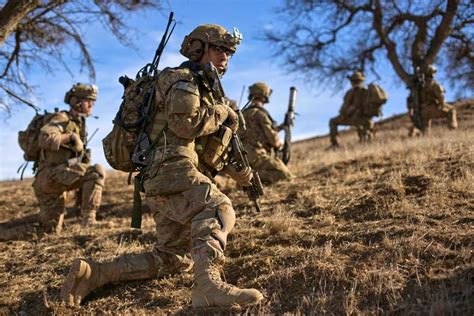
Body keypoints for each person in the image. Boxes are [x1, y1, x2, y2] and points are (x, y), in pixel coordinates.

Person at [61, 24, 263, 308]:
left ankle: (94, 274)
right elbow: (185, 124)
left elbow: (207, 150)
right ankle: (207, 289)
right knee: (218, 207)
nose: (225, 58)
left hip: (166, 174)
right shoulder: (183, 79)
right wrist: (222, 112)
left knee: (173, 259)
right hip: (171, 167)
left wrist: (243, 174)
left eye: (229, 53)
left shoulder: (202, 87)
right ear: (197, 48)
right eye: (219, 50)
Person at [0, 84, 105, 241]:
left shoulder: (78, 123)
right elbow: (45, 138)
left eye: (93, 102)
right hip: (51, 176)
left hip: (50, 181)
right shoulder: (61, 118)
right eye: (88, 101)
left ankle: (3, 234)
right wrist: (70, 137)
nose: (91, 105)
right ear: (76, 102)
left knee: (48, 232)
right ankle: (88, 221)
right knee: (96, 171)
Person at [238, 82, 294, 184]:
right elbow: (273, 139)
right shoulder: (260, 114)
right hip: (258, 156)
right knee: (287, 176)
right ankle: (251, 178)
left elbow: (256, 132)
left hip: (242, 158)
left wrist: (281, 127)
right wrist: (280, 145)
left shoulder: (242, 114)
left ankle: (248, 178)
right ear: (264, 94)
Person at [407, 65, 457, 136]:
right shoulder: (433, 84)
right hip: (431, 108)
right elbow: (441, 96)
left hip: (421, 112)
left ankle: (415, 135)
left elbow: (410, 100)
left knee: (425, 131)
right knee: (452, 110)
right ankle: (452, 131)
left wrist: (411, 112)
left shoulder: (417, 86)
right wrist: (442, 104)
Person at [328, 71, 374, 147]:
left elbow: (357, 105)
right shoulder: (352, 92)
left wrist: (347, 113)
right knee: (333, 121)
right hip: (352, 116)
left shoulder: (361, 92)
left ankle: (364, 141)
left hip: (358, 117)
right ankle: (334, 144)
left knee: (356, 122)